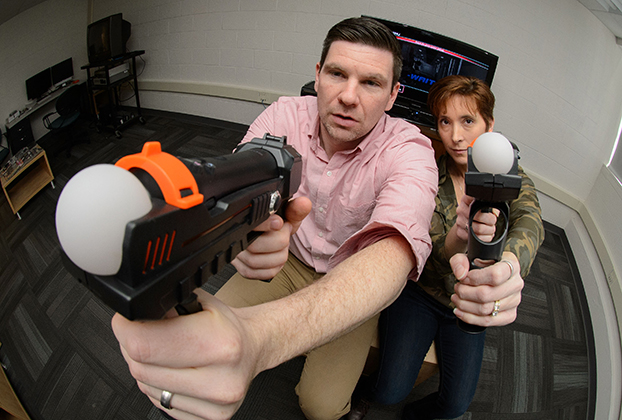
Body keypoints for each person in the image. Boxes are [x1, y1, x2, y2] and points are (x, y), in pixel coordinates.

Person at [111, 17, 441, 420]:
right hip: (285, 264)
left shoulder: (410, 150)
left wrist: (262, 340)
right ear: (318, 76)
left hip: (351, 277)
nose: (348, 97)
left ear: (393, 95)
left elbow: (394, 255)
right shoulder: (283, 117)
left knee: (321, 409)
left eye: (371, 83)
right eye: (337, 73)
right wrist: (245, 234)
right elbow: (239, 181)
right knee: (200, 347)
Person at [346, 75, 545, 420]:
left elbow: (530, 220)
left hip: (466, 301)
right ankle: (364, 392)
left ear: (489, 124)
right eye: (445, 122)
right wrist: (460, 233)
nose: (455, 136)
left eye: (468, 121)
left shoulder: (506, 173)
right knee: (389, 390)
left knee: (454, 407)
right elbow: (430, 250)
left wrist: (508, 265)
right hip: (421, 293)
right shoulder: (426, 171)